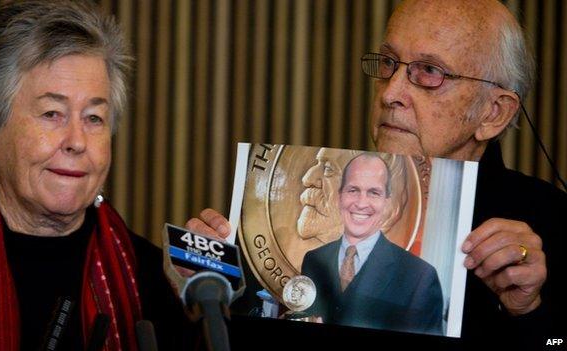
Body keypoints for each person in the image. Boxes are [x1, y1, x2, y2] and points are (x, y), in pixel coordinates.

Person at [188, 0, 567, 349]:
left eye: (429, 72)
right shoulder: (315, 250)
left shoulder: (551, 224)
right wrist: (208, 290)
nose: (390, 93)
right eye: (388, 64)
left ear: (493, 113)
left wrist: (528, 312)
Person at [0, 1, 218, 350]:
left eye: (93, 118)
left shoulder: (156, 281)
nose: (76, 141)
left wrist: (210, 306)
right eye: (52, 113)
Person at [301, 153, 443, 336]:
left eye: (373, 193)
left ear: (387, 203)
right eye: (353, 190)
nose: (361, 203)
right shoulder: (313, 260)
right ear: (340, 197)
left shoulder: (420, 277)